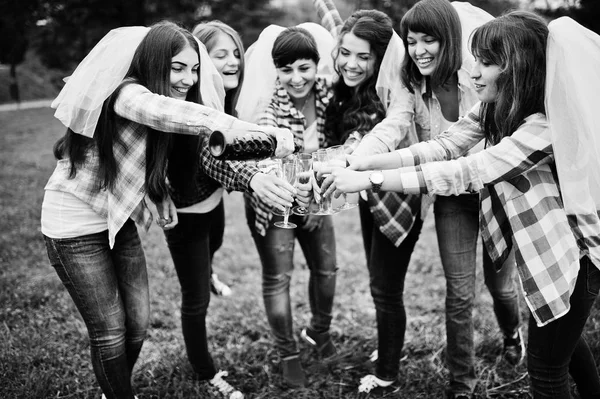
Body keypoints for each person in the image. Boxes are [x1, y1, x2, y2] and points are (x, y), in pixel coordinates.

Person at [321, 11, 600, 399]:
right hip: (552, 257)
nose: (475, 71)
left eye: (486, 62)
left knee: (546, 367)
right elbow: (444, 145)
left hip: (576, 260)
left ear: (516, 67)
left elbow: (467, 170)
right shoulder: (495, 107)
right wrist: (367, 161)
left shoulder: (542, 127)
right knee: (562, 345)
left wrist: (369, 180)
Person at [41, 21, 294, 399]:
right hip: (73, 226)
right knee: (110, 331)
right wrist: (264, 136)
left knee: (139, 322)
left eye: (194, 69)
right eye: (177, 67)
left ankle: (117, 388)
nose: (188, 79)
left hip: (115, 219)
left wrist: (155, 194)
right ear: (154, 61)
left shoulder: (160, 102)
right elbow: (172, 114)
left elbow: (143, 157)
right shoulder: (127, 93)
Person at [359, 1, 523, 397]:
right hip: (451, 196)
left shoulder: (481, 78)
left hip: (497, 193)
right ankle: (461, 384)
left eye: (428, 40)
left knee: (500, 287)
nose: (419, 50)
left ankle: (512, 334)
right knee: (459, 291)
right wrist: (358, 158)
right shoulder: (413, 83)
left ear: (448, 40)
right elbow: (395, 123)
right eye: (412, 41)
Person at [314, 0, 428, 394]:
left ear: (380, 59)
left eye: (364, 57)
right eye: (345, 53)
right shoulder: (354, 86)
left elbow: (380, 133)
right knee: (377, 281)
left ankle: (387, 375)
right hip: (367, 196)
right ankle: (387, 351)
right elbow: (330, 20)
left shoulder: (395, 94)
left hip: (398, 201)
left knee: (385, 288)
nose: (350, 63)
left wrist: (348, 159)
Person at [236, 23, 338, 388]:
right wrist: (300, 204)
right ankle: (287, 352)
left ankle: (319, 331)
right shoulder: (269, 106)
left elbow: (341, 141)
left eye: (304, 68)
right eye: (286, 69)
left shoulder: (329, 94)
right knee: (279, 277)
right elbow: (268, 160)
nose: (296, 78)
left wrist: (316, 202)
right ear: (276, 70)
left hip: (319, 200)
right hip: (276, 205)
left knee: (327, 271)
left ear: (316, 65)